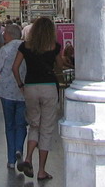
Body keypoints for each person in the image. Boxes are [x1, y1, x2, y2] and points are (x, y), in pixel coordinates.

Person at [11, 16, 64, 181]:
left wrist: (20, 84)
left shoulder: (25, 46)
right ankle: (41, 170)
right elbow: (60, 66)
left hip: (30, 87)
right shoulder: (54, 47)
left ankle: (28, 158)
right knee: (46, 129)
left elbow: (15, 67)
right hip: (48, 88)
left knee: (34, 124)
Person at [0, 22, 28, 169]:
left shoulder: (4, 50)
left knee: (9, 125)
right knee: (21, 124)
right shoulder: (27, 48)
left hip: (6, 92)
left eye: (5, 33)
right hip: (24, 92)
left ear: (9, 35)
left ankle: (11, 160)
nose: (3, 35)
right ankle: (19, 147)